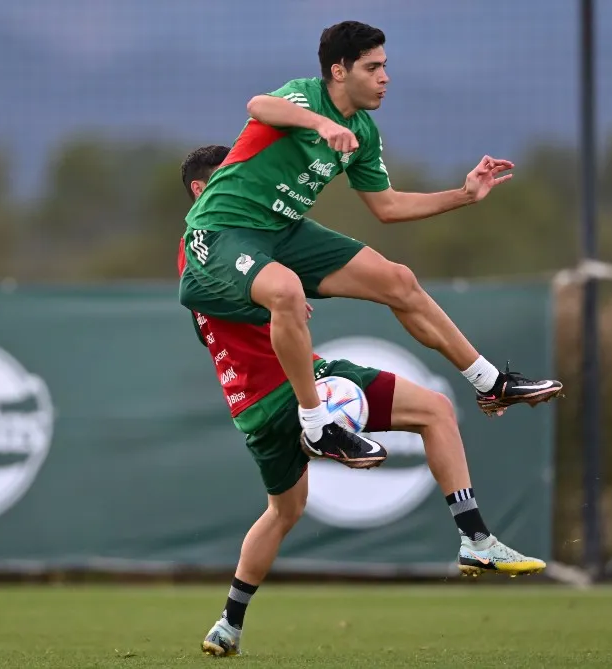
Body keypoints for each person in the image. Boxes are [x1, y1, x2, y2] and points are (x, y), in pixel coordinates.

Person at [179, 146, 546, 658]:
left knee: (285, 511)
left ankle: (229, 623)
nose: (246, 184)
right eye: (231, 177)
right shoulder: (205, 247)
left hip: (255, 407)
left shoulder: (250, 236)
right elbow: (206, 296)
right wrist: (269, 295)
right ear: (202, 191)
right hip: (288, 388)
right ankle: (473, 538)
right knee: (432, 411)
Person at [179, 20, 563, 468]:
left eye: (385, 66)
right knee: (286, 291)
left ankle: (490, 382)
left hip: (282, 230)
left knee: (397, 280)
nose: (385, 78)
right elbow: (258, 104)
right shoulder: (305, 96)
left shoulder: (362, 133)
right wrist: (320, 123)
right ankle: (318, 425)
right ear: (339, 72)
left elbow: (389, 207)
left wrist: (464, 195)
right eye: (373, 67)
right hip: (221, 229)